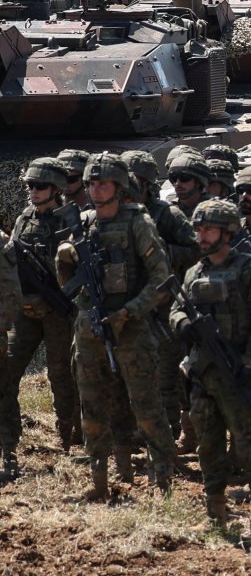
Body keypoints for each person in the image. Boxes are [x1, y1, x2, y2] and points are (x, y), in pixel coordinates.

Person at [61, 153, 177, 498]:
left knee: (146, 406)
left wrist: (129, 312)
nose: (96, 190)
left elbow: (162, 280)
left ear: (120, 187)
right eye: (92, 184)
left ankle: (162, 480)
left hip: (132, 329)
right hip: (90, 329)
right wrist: (63, 260)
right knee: (93, 406)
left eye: (103, 184)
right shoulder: (81, 224)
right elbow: (68, 286)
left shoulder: (138, 223)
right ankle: (100, 479)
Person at [171, 199, 251, 531]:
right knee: (208, 445)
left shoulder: (250, 271)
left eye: (209, 230)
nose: (201, 236)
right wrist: (183, 324)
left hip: (239, 374)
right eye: (199, 229)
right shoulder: (194, 272)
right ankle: (215, 514)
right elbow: (176, 309)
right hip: (203, 373)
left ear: (228, 233)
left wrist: (248, 362)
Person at [3, 157, 82, 471]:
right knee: (8, 369)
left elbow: (76, 269)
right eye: (30, 185)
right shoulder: (24, 217)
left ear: (56, 189)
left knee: (61, 373)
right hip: (25, 310)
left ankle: (68, 435)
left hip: (58, 311)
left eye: (41, 186)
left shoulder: (69, 222)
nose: (34, 191)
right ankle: (9, 440)